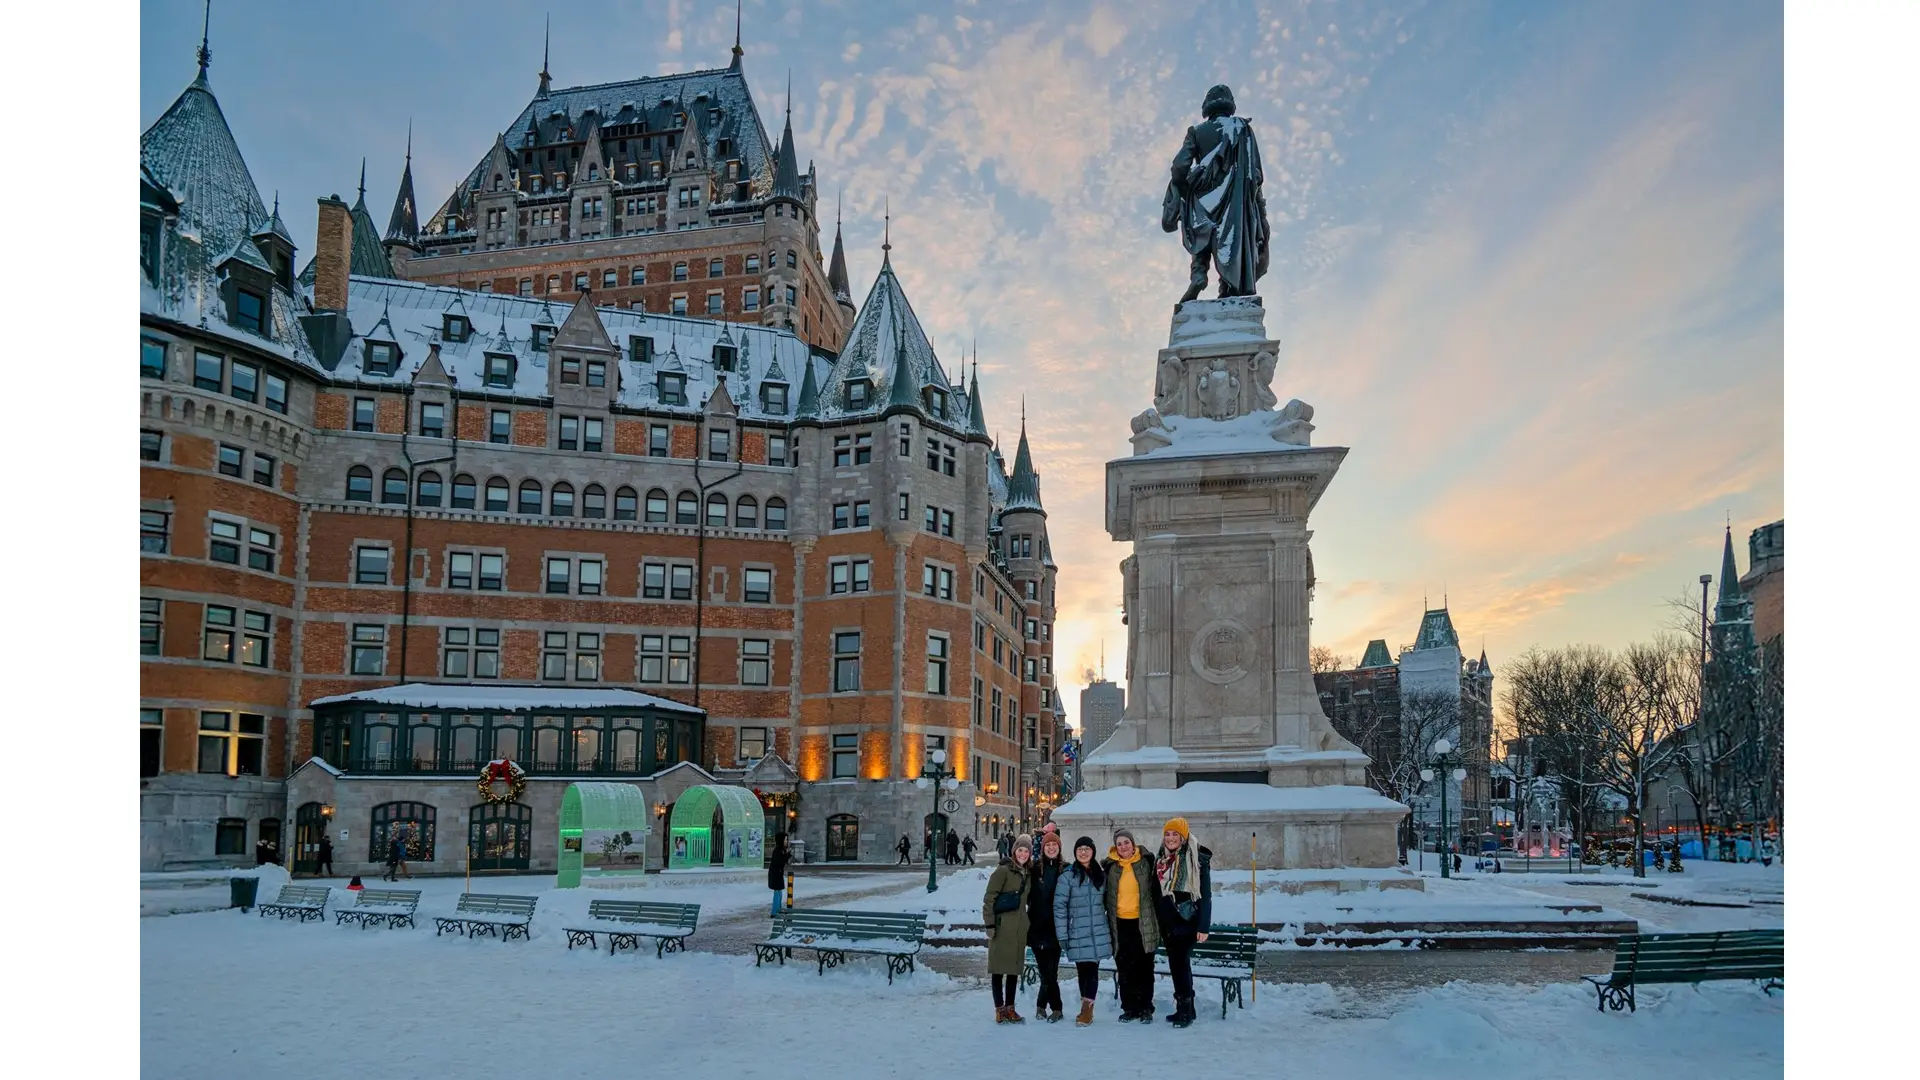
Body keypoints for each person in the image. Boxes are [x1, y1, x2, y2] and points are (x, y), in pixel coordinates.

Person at [1154, 818, 1213, 1028]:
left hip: (1187, 919)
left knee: (1179, 964)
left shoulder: (1197, 858)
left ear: (1183, 836)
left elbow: (1205, 894)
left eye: (1175, 834)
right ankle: (1188, 1007)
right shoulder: (1161, 859)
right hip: (1168, 921)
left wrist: (1204, 926)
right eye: (1168, 834)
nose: (1171, 838)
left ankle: (1185, 1009)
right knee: (1178, 965)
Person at [1104, 827, 1163, 1023]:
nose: (1123, 846)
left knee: (1145, 967)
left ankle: (1146, 1006)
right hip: (1120, 923)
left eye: (1126, 842)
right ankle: (1129, 1007)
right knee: (1124, 967)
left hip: (1143, 922)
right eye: (1119, 844)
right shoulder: (1111, 867)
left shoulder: (1146, 862)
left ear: (1133, 843)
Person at [1054, 835, 1112, 1026]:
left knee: (1093, 970)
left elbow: (1109, 902)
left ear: (1093, 851)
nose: (1083, 852)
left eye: (1087, 848)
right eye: (1080, 849)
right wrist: (1062, 934)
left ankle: (1087, 1009)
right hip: (1077, 930)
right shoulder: (1068, 876)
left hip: (1096, 931)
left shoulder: (1101, 875)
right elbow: (1060, 907)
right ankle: (1085, 1006)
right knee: (1082, 970)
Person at [983, 834, 1034, 1023]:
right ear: (1014, 852)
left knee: (1013, 970)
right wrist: (989, 924)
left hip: (1019, 928)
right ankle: (999, 1008)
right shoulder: (1003, 871)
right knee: (998, 970)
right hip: (1002, 927)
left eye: (1026, 851)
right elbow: (989, 899)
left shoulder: (1028, 874)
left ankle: (1011, 1008)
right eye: (1020, 850)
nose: (1023, 854)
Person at [1026, 831, 1068, 1021]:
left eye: (1055, 845)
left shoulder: (1065, 870)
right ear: (1043, 848)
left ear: (1059, 848)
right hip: (1037, 927)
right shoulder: (1034, 870)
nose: (1051, 848)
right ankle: (1055, 1008)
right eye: (1048, 845)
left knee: (1051, 971)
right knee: (1046, 971)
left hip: (1056, 928)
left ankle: (1043, 1006)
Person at [768, 834, 791, 917]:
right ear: (781, 840)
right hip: (775, 874)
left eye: (787, 840)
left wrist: (787, 855)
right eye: (785, 840)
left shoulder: (781, 849)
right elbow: (780, 862)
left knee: (779, 893)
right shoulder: (777, 850)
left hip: (778, 874)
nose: (786, 841)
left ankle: (779, 910)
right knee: (777, 893)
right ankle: (774, 912)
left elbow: (783, 861)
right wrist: (787, 856)